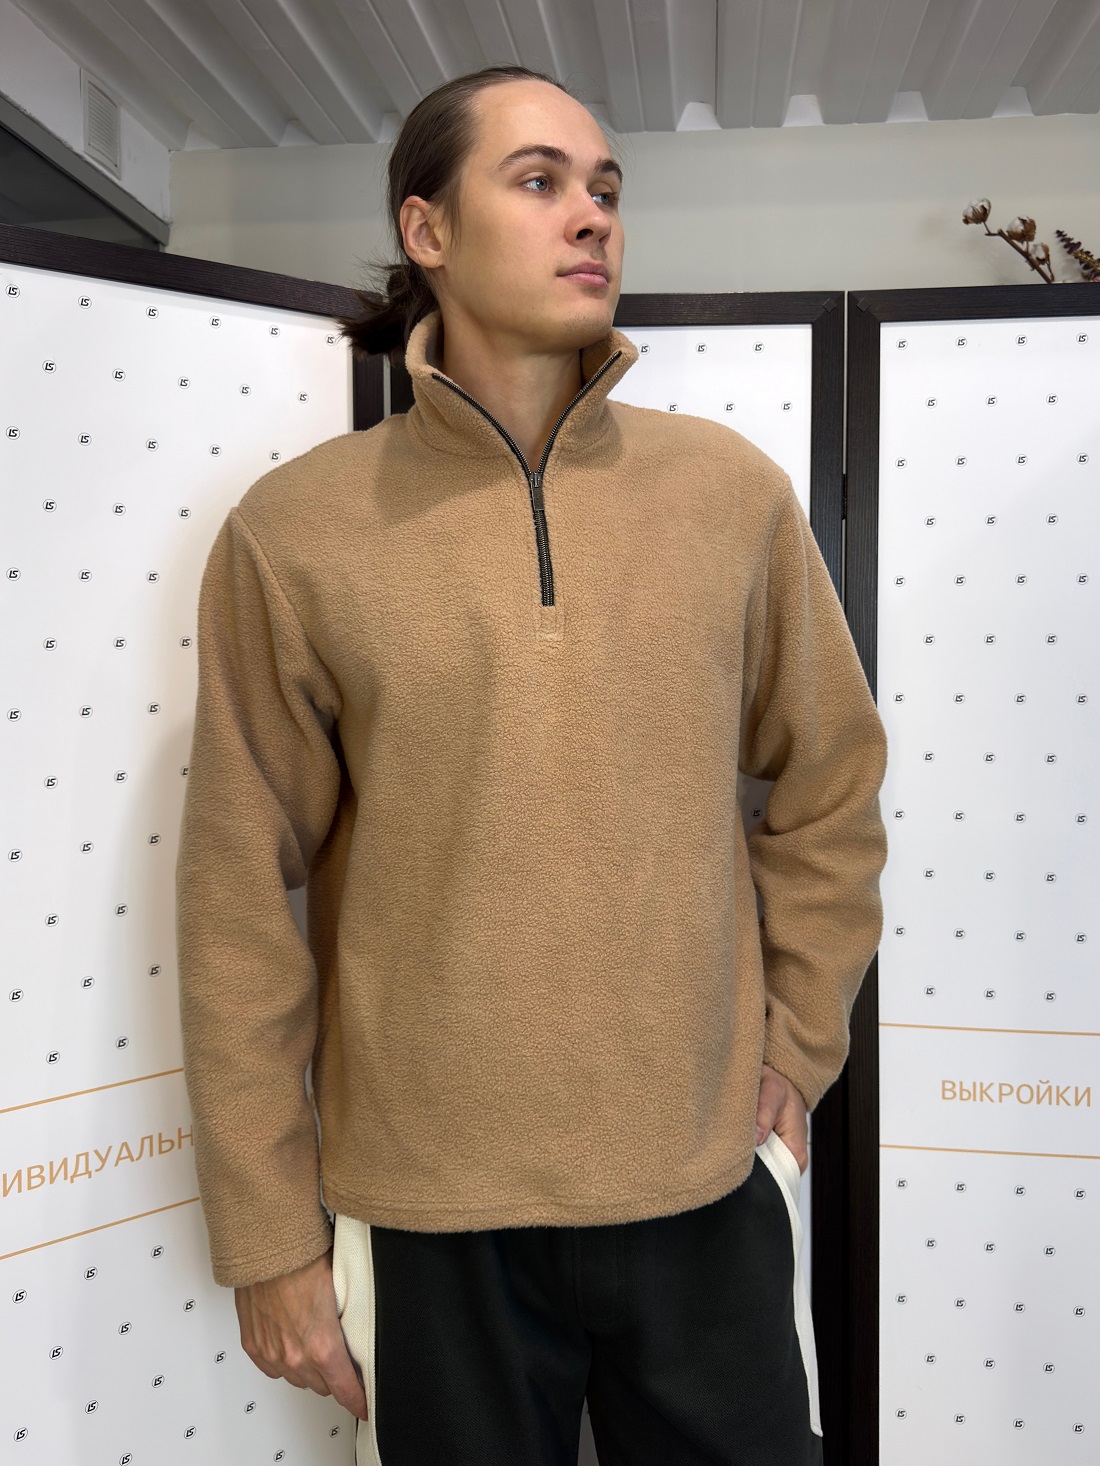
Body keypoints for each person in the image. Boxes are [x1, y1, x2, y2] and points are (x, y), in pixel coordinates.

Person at [175, 62, 888, 1466]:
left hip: (701, 1186)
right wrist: (266, 1231)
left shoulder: (727, 494)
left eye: (606, 188)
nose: (593, 216)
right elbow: (236, 894)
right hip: (432, 1216)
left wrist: (800, 1043)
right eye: (541, 180)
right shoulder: (298, 530)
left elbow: (830, 783)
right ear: (428, 228)